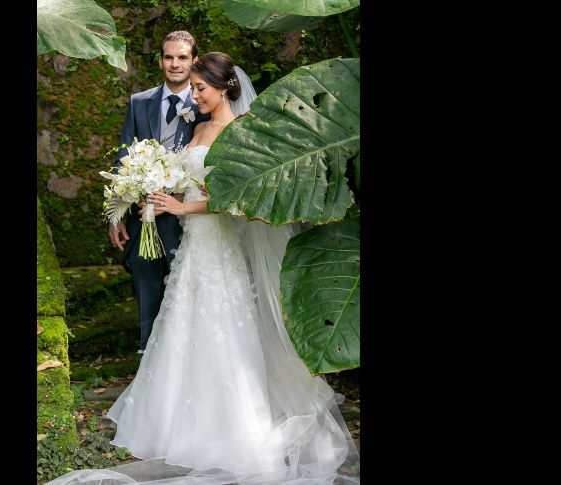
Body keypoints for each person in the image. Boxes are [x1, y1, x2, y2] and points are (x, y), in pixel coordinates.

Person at [52, 52, 359, 484]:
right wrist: (154, 192)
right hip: (193, 252)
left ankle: (232, 430)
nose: (192, 95)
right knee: (182, 326)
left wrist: (181, 206)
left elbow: (237, 201)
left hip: (221, 250)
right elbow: (185, 184)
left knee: (223, 330)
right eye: (193, 88)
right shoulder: (197, 129)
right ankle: (178, 427)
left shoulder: (241, 132)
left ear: (225, 88)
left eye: (199, 89)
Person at [108, 30, 210, 354]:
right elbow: (123, 159)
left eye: (182, 57)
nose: (175, 64)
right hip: (142, 217)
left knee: (182, 288)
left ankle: (183, 359)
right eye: (169, 57)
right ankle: (147, 359)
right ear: (161, 60)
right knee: (146, 284)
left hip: (185, 218)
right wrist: (116, 213)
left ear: (194, 60)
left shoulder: (205, 104)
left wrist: (180, 200)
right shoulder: (140, 103)